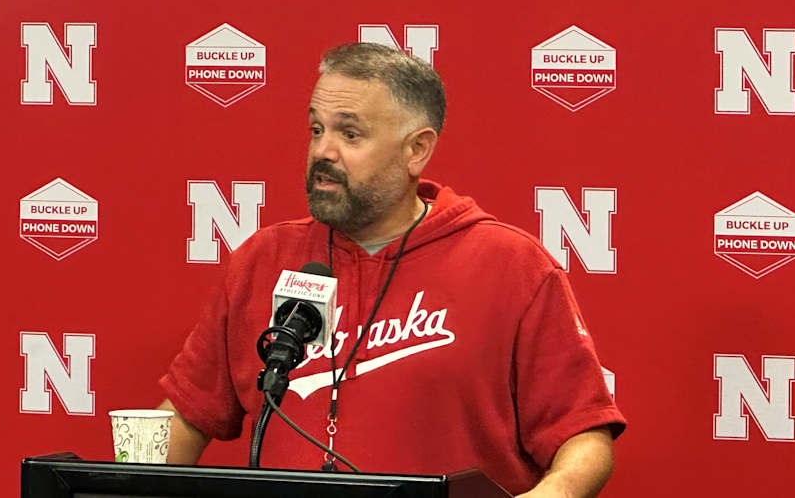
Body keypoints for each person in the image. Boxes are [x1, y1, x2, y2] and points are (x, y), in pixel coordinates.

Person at [157, 43, 625, 497]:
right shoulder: (263, 259)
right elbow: (187, 416)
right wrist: (125, 479)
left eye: (350, 134)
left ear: (416, 150)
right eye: (317, 129)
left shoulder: (511, 265)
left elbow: (583, 437)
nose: (323, 151)